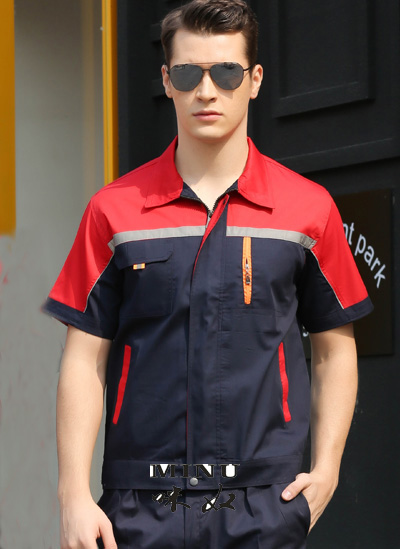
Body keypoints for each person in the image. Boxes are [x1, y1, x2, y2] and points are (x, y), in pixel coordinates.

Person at [42, 1, 373, 547]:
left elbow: (334, 349)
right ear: (166, 81)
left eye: (226, 73)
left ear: (255, 80)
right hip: (140, 506)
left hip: (263, 503)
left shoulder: (308, 209)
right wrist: (73, 494)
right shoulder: (114, 210)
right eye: (188, 74)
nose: (207, 91)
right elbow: (84, 357)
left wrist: (328, 469)